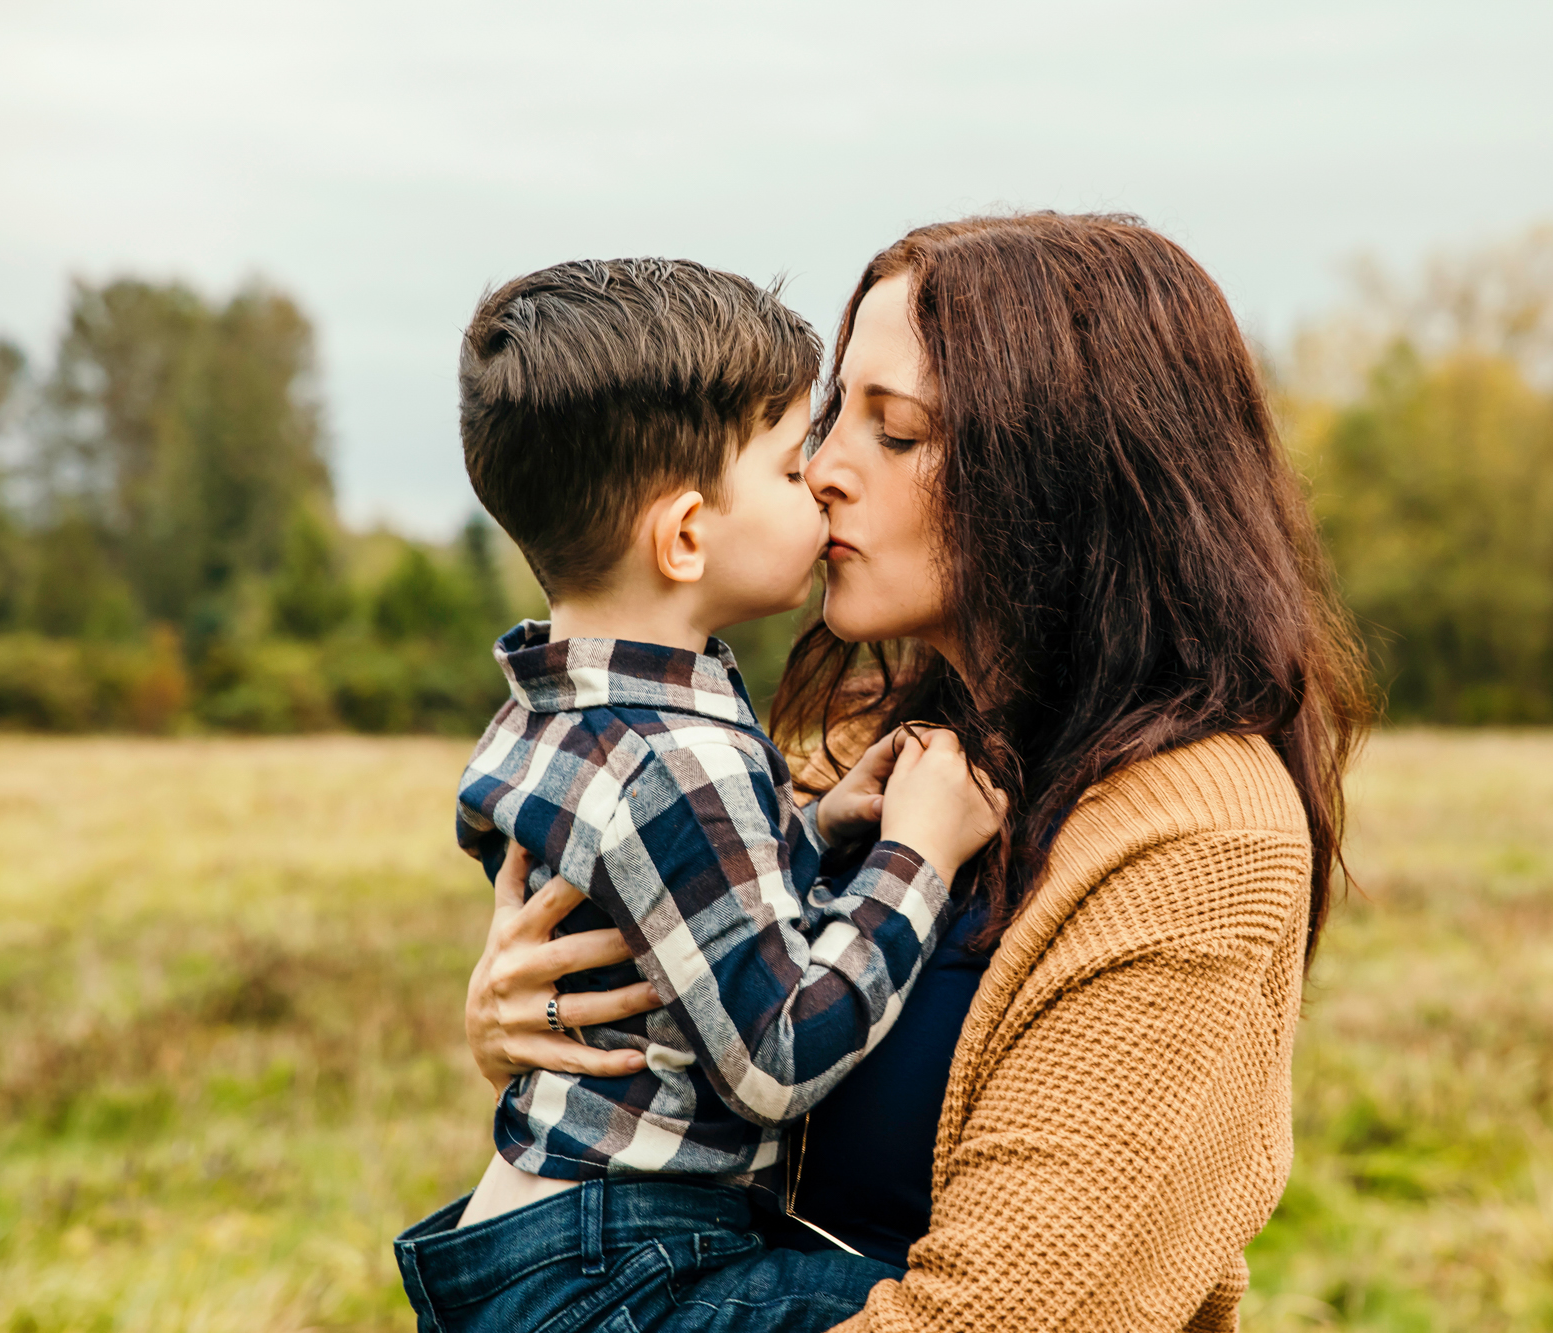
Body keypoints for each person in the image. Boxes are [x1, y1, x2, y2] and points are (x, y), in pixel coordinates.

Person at [463, 212, 1374, 1332]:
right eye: (833, 411)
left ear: (1059, 479)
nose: (821, 467)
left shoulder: (1200, 843)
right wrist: (537, 1029)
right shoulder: (869, 746)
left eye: (893, 434)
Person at [394, 258, 1004, 1333]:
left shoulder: (567, 708)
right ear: (684, 536)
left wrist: (818, 828)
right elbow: (775, 1056)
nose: (818, 478)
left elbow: (678, 921)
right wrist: (918, 854)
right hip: (626, 1267)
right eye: (785, 464)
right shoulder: (671, 755)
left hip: (552, 1244)